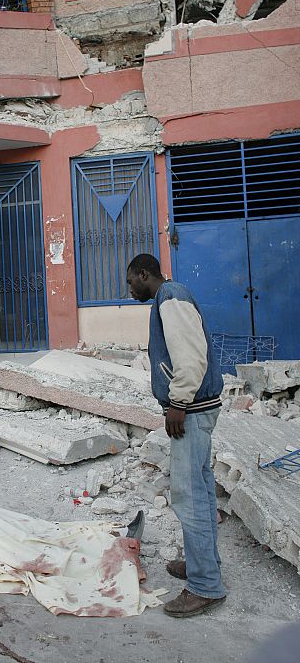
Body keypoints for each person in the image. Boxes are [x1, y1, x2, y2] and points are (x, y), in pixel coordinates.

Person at [126, 253, 225, 618]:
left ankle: (205, 586)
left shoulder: (170, 297)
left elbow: (192, 357)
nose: (129, 290)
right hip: (197, 409)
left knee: (189, 496)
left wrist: (178, 403)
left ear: (144, 274)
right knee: (201, 488)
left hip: (192, 411)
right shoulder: (170, 297)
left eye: (130, 282)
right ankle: (204, 564)